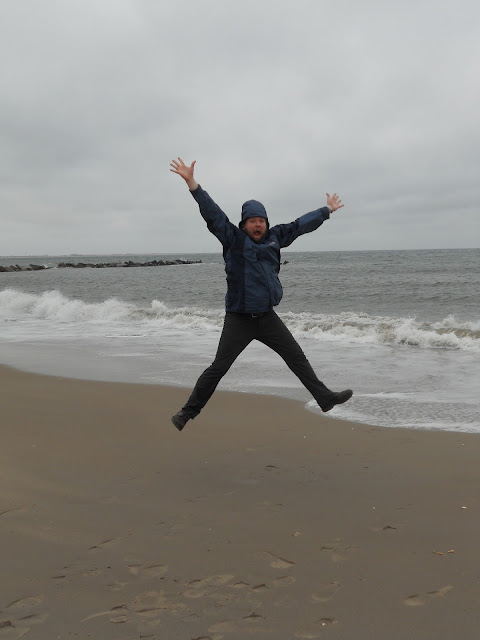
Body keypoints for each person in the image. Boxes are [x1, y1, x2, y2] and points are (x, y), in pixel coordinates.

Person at [169, 157, 352, 431]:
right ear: (244, 224)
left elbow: (300, 225)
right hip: (239, 319)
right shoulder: (233, 239)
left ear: (266, 223)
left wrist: (326, 211)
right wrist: (192, 184)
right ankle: (186, 413)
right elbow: (213, 214)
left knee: (296, 357)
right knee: (218, 368)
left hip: (266, 317)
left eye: (261, 221)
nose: (258, 225)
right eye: (253, 221)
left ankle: (325, 398)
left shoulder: (275, 237)